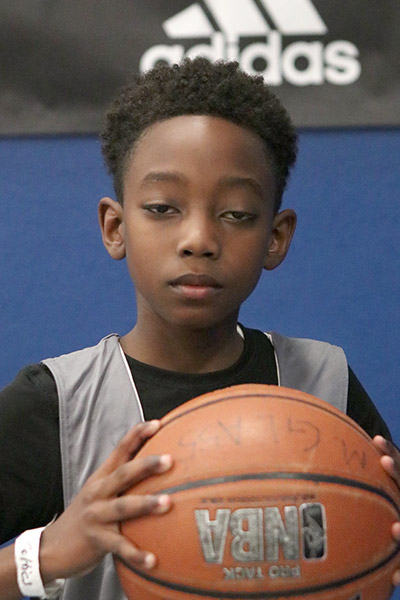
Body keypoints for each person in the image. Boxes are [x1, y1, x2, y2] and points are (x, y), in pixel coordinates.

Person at [0, 57, 399, 600]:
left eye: (236, 213)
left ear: (276, 237)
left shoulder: (324, 383)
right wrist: (42, 556)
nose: (199, 240)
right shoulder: (59, 407)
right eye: (163, 207)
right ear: (116, 227)